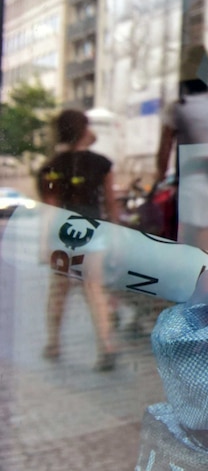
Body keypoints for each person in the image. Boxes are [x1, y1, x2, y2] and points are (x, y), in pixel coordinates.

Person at [38, 109, 120, 372]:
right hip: (92, 233)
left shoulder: (49, 167)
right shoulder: (102, 164)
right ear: (85, 131)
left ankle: (53, 344)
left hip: (61, 234)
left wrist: (44, 244)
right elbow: (111, 205)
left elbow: (49, 210)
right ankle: (106, 346)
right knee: (94, 289)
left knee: (58, 291)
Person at [156, 45, 208, 255]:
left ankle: (206, 287)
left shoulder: (179, 107)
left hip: (198, 184)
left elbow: (164, 153)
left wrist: (159, 179)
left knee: (205, 256)